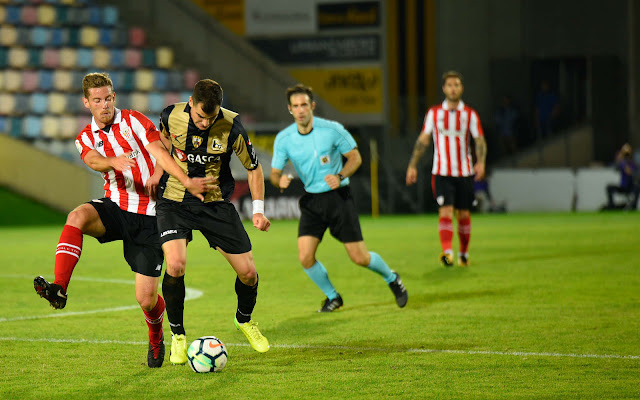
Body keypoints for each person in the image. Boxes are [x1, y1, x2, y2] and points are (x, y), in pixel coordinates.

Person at [33, 72, 213, 368]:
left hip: (152, 216)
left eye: (107, 98)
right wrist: (112, 162)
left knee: (145, 299)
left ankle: (156, 337)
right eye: (97, 100)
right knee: (76, 216)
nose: (103, 105)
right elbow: (92, 159)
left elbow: (159, 148)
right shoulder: (85, 137)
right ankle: (60, 288)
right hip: (116, 207)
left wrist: (157, 173)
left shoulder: (134, 121)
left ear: (114, 97)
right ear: (86, 103)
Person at [157, 79, 271, 364]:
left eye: (211, 117)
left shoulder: (232, 126)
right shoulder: (170, 115)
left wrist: (258, 210)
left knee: (248, 273)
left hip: (215, 204)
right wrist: (157, 172)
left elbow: (254, 170)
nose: (205, 123)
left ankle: (244, 320)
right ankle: (178, 335)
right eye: (199, 116)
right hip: (174, 201)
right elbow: (162, 144)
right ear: (190, 103)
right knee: (175, 264)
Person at [270, 83, 408, 312]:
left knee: (360, 257)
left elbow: (355, 157)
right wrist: (279, 180)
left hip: (338, 198)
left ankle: (392, 278)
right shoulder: (284, 139)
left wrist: (340, 174)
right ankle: (333, 296)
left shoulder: (332, 130)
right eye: (296, 106)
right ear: (290, 109)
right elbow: (274, 174)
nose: (301, 110)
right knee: (305, 257)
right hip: (312, 201)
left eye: (304, 104)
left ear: (312, 106)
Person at [405, 71, 487, 267]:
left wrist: (481, 162)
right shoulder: (434, 113)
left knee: (464, 214)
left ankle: (464, 254)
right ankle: (447, 252)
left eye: (456, 85)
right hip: (441, 172)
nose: (453, 88)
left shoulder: (469, 114)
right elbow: (423, 140)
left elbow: (479, 140)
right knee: (446, 211)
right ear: (443, 89)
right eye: (449, 85)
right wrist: (412, 166)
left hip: (465, 172)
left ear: (462, 88)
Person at [606, 143, 639, 210]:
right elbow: (615, 168)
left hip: (630, 186)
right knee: (609, 187)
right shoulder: (621, 162)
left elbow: (629, 172)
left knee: (637, 188)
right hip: (622, 186)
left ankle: (634, 206)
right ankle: (611, 206)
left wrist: (624, 162)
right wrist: (619, 159)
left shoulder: (632, 163)